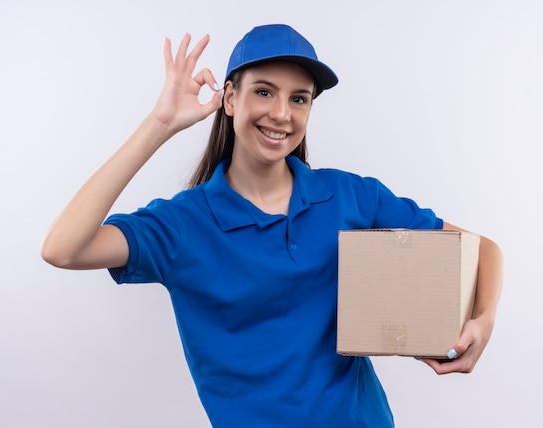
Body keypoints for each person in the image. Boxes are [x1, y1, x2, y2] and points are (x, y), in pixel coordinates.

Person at [41, 24, 503, 427]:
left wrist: (483, 320)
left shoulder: (349, 195)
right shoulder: (182, 225)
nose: (282, 113)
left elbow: (482, 250)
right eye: (264, 91)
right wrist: (160, 123)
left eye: (298, 99)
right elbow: (63, 248)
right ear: (228, 99)